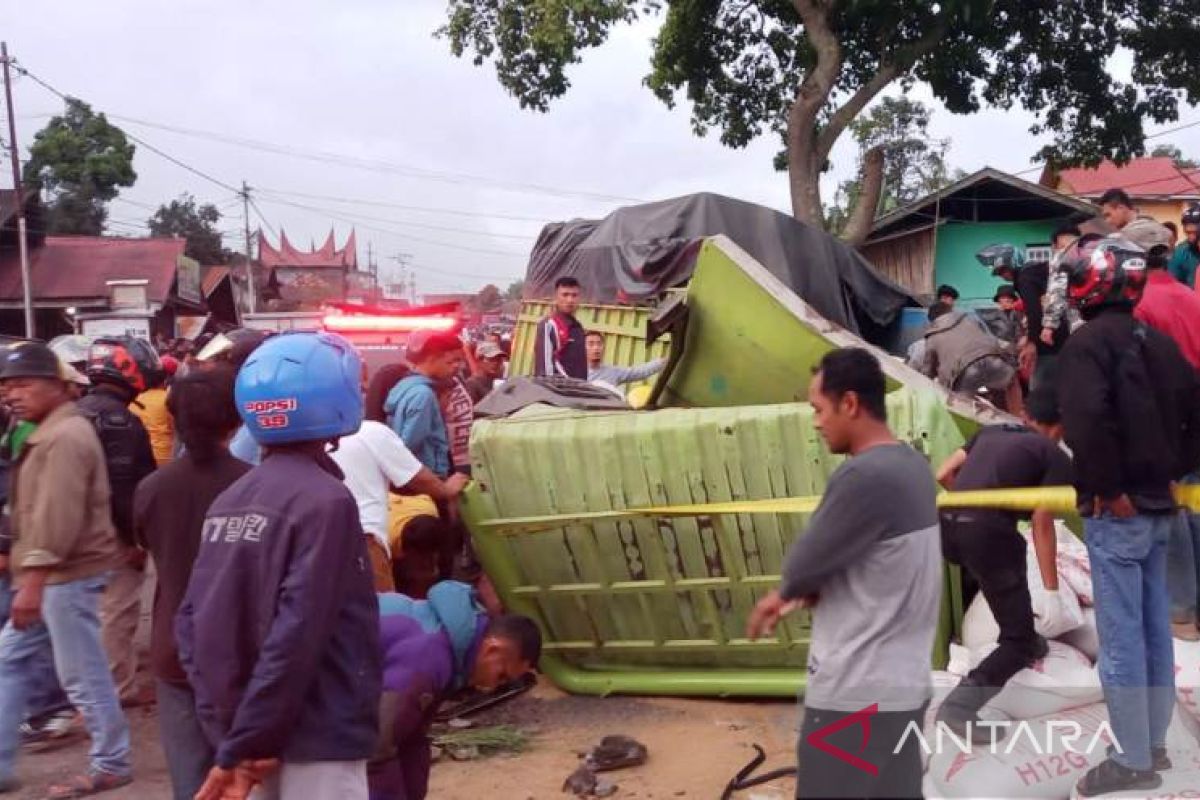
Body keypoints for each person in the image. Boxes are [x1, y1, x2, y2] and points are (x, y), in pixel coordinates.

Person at [177, 331, 380, 800]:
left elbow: (194, 627)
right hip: (319, 733)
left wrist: (233, 737)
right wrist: (247, 741)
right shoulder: (327, 501)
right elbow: (298, 632)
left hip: (252, 740)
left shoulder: (229, 501)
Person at [747, 348, 941, 800]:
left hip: (855, 695)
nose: (816, 422)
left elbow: (801, 566)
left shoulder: (863, 476)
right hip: (905, 689)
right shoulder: (913, 467)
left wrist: (789, 591)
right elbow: (879, 564)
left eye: (818, 409)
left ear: (849, 403)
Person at [1056, 237, 1200, 796]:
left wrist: (1109, 489)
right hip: (1159, 506)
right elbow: (1195, 413)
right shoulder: (1159, 344)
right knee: (1153, 634)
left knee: (1121, 642)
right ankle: (1155, 746)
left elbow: (1086, 422)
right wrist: (1173, 473)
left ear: (1091, 282)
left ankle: (1131, 759)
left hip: (1118, 514)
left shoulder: (1086, 345)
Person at [0, 341, 132, 797]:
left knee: (82, 673)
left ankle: (111, 762)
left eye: (22, 384)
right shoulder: (45, 431)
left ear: (57, 386)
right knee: (9, 660)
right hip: (48, 577)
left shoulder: (64, 437)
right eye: (6, 386)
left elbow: (57, 518)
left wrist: (31, 583)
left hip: (64, 577)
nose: (11, 395)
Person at [134, 367, 250, 800]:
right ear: (236, 420)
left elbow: (147, 547)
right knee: (245, 778)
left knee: (192, 784)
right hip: (240, 649)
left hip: (174, 648)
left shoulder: (152, 488)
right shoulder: (252, 485)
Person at [933, 388, 1073, 739]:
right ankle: (960, 707)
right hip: (989, 535)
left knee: (999, 587)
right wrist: (1052, 592)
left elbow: (944, 473)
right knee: (1019, 641)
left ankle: (1023, 633)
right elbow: (1042, 522)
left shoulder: (991, 431)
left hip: (946, 527)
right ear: (1061, 426)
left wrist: (969, 508)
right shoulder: (1054, 456)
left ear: (1027, 416)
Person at [369, 582, 540, 800]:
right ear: (492, 649)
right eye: (502, 676)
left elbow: (412, 740)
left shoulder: (452, 650)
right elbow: (378, 747)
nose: (493, 687)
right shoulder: (429, 659)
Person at [78, 337, 159, 708]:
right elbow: (124, 488)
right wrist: (132, 541)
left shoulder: (75, 412)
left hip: (76, 531)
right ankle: (116, 689)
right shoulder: (119, 421)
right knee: (118, 611)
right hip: (109, 533)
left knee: (86, 612)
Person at [1132, 245, 1200, 641]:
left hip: (1167, 412)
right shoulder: (1189, 294)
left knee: (1172, 511)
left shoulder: (1142, 303)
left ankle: (1180, 612)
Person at [329, 418, 469, 593]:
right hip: (363, 541)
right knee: (382, 613)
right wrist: (446, 490)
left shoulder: (306, 441)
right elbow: (416, 478)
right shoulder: (370, 432)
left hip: (320, 541)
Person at [980, 232, 1073, 390]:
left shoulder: (1025, 278)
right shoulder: (1034, 272)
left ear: (1012, 263)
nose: (1002, 276)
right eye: (998, 273)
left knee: (1042, 383)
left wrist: (1031, 343)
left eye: (1003, 270)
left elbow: (1034, 311)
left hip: (1050, 337)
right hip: (1060, 329)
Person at [384, 331, 462, 478]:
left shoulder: (405, 387)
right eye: (452, 361)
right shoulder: (423, 395)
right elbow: (408, 444)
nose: (457, 367)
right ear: (432, 359)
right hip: (426, 475)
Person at [919, 302, 1021, 412]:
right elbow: (990, 338)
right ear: (950, 311)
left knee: (963, 409)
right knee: (1009, 384)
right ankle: (1017, 420)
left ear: (932, 320)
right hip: (991, 358)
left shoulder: (932, 338)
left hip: (963, 373)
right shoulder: (970, 319)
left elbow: (927, 372)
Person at [533, 277, 586, 379]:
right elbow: (545, 372)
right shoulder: (549, 325)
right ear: (556, 297)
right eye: (565, 295)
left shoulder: (578, 327)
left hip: (578, 391)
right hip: (557, 392)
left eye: (574, 295)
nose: (570, 300)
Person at [131, 354, 177, 466]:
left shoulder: (134, 400)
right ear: (165, 379)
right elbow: (177, 429)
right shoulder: (169, 398)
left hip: (142, 458)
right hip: (165, 457)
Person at [1099, 188, 1173, 252]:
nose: (1107, 221)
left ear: (1120, 208)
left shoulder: (1129, 233)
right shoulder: (1153, 224)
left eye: (1108, 215)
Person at [585, 331, 666, 387]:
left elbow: (639, 372)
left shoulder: (613, 372)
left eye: (599, 344)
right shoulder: (575, 373)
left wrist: (663, 362)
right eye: (591, 344)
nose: (596, 348)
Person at [1169, 204, 1200, 288]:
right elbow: (1172, 284)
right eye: (1188, 233)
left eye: (1195, 233)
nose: (1191, 237)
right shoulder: (1181, 252)